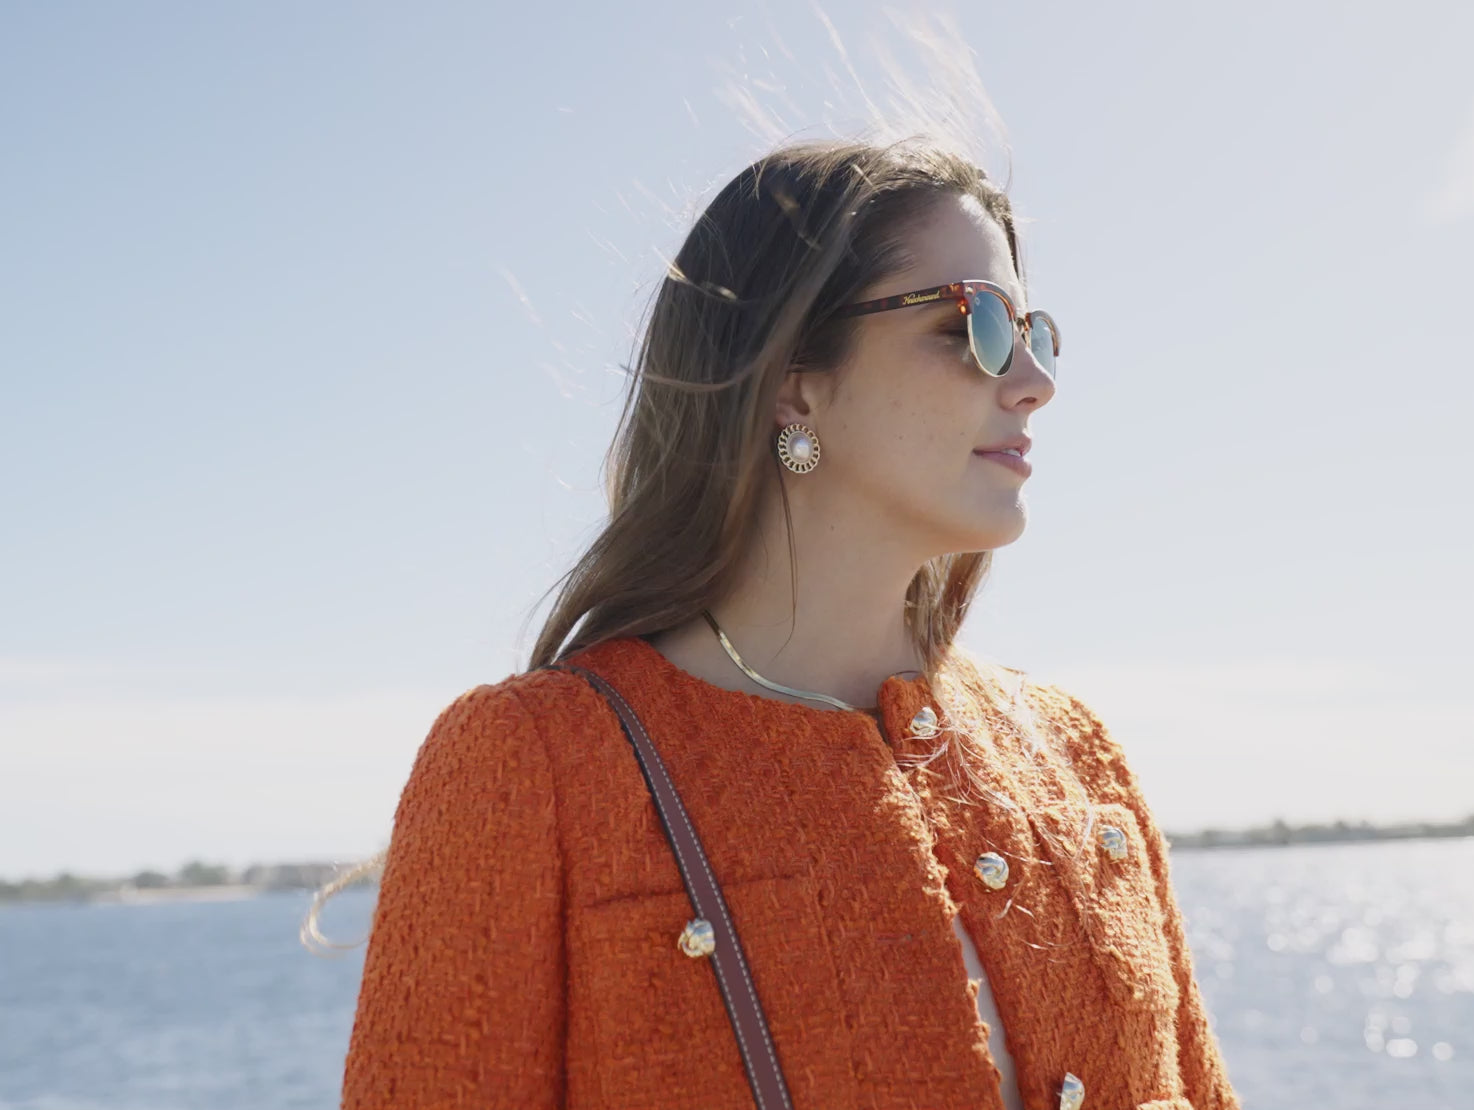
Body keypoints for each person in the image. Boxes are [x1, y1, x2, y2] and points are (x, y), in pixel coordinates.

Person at [336, 137, 1241, 1110]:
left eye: (1036, 332)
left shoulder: (1075, 755)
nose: (1033, 378)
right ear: (792, 376)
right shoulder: (528, 766)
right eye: (974, 325)